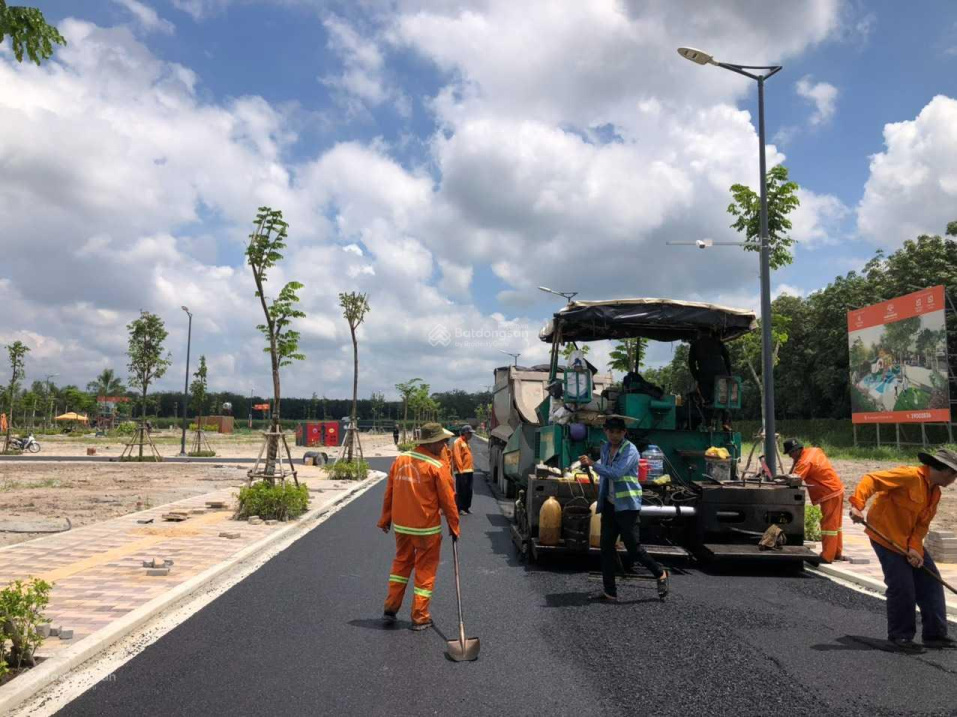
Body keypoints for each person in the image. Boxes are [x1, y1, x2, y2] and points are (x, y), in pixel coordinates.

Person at [849, 448, 957, 654]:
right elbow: (871, 479)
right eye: (955, 475)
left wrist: (915, 548)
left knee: (931, 582)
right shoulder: (909, 476)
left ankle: (935, 635)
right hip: (885, 536)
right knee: (903, 586)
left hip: (907, 540)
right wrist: (857, 505)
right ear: (946, 471)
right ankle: (900, 636)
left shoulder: (935, 493)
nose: (955, 480)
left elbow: (922, 525)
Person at [378, 422, 460, 631]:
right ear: (431, 443)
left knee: (401, 565)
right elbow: (448, 501)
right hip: (426, 528)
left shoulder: (401, 460)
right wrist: (454, 526)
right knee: (425, 570)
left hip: (402, 526)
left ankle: (390, 608)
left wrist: (385, 518)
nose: (444, 445)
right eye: (442, 442)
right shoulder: (437, 466)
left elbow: (390, 492)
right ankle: (420, 616)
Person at [579, 417, 668, 602]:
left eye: (618, 432)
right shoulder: (605, 448)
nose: (614, 435)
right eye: (611, 431)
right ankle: (610, 592)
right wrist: (591, 464)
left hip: (627, 506)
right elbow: (604, 470)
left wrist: (593, 464)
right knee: (606, 548)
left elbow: (616, 473)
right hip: (610, 505)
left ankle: (660, 573)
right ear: (605, 431)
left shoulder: (630, 450)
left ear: (624, 432)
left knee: (633, 548)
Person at [784, 439, 845, 563]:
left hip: (828, 493)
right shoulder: (814, 450)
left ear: (795, 451)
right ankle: (836, 553)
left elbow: (795, 479)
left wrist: (782, 481)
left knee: (829, 526)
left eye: (790, 454)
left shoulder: (804, 462)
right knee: (836, 525)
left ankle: (827, 556)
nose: (790, 457)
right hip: (837, 489)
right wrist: (796, 462)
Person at [688, 329, 731, 405]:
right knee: (722, 401)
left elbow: (691, 363)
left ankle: (709, 405)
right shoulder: (717, 342)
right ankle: (721, 409)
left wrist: (696, 376)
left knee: (708, 401)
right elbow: (727, 357)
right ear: (710, 333)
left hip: (705, 376)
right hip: (721, 374)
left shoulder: (695, 345)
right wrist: (729, 373)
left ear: (699, 333)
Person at [453, 425, 475, 514]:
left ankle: (466, 507)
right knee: (462, 490)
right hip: (462, 471)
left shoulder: (466, 442)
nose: (471, 435)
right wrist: (460, 470)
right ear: (464, 433)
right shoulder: (457, 442)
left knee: (469, 490)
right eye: (469, 433)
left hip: (469, 470)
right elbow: (457, 456)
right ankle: (460, 508)